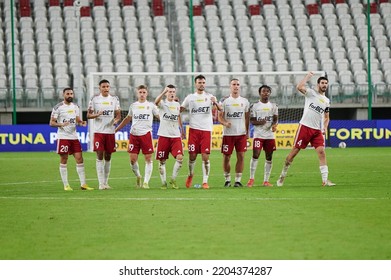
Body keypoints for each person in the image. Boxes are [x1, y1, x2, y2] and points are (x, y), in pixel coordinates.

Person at [276, 71, 336, 187]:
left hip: (316, 131)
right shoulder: (311, 93)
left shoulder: (327, 101)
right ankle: (282, 176)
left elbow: (327, 117)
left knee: (322, 152)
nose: (324, 85)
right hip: (304, 127)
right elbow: (299, 87)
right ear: (318, 84)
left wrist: (324, 127)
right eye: (322, 83)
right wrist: (307, 77)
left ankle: (325, 180)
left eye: (326, 83)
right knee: (293, 154)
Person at [180, 74, 222, 189]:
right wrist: (173, 104)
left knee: (205, 156)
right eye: (199, 82)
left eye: (203, 82)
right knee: (192, 155)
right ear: (195, 84)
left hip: (206, 130)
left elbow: (220, 109)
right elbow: (180, 110)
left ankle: (205, 181)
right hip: (193, 130)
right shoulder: (190, 97)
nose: (201, 84)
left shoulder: (210, 97)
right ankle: (190, 175)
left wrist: (215, 102)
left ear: (205, 84)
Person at [115, 85, 159, 189]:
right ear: (137, 93)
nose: (142, 94)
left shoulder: (151, 106)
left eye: (144, 92)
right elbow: (127, 119)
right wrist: (117, 129)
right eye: (140, 92)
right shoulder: (133, 106)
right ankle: (138, 176)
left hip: (146, 134)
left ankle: (146, 182)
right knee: (132, 160)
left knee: (148, 158)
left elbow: (159, 116)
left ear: (147, 93)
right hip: (134, 135)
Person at [50, 87, 93, 191]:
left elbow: (78, 120)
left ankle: (83, 184)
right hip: (63, 137)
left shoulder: (76, 106)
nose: (70, 95)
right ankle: (66, 185)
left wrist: (81, 123)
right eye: (67, 94)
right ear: (63, 95)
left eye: (71, 94)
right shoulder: (58, 107)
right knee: (64, 159)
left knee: (79, 158)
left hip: (74, 137)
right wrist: (61, 124)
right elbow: (51, 123)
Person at [87, 79, 121, 190]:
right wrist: (97, 114)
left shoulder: (114, 99)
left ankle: (106, 182)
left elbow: (118, 115)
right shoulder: (94, 99)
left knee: (108, 156)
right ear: (99, 88)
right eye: (104, 86)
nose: (106, 88)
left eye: (107, 86)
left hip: (110, 132)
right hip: (99, 132)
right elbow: (88, 115)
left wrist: (116, 120)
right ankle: (101, 183)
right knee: (99, 155)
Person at [218, 78, 250, 188]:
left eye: (237, 84)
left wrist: (247, 132)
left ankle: (238, 180)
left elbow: (246, 118)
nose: (236, 86)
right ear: (230, 87)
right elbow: (219, 117)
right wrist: (225, 123)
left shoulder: (245, 101)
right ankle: (227, 179)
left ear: (239, 87)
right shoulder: (224, 101)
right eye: (233, 84)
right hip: (228, 135)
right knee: (227, 157)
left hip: (241, 134)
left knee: (241, 156)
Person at [247, 85, 278, 187]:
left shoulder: (273, 106)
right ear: (260, 93)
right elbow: (251, 120)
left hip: (270, 135)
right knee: (256, 155)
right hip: (258, 135)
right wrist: (260, 122)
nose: (266, 93)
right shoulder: (254, 106)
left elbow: (275, 118)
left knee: (269, 157)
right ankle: (251, 179)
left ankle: (266, 181)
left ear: (270, 93)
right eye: (264, 91)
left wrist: (274, 125)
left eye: (268, 91)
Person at [154, 85, 185, 189]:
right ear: (166, 93)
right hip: (163, 136)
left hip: (175, 136)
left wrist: (182, 129)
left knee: (180, 158)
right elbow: (156, 102)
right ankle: (163, 182)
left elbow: (178, 116)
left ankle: (173, 179)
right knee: (162, 161)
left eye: (173, 91)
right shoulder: (163, 104)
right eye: (169, 91)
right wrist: (163, 92)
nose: (171, 93)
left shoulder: (177, 104)